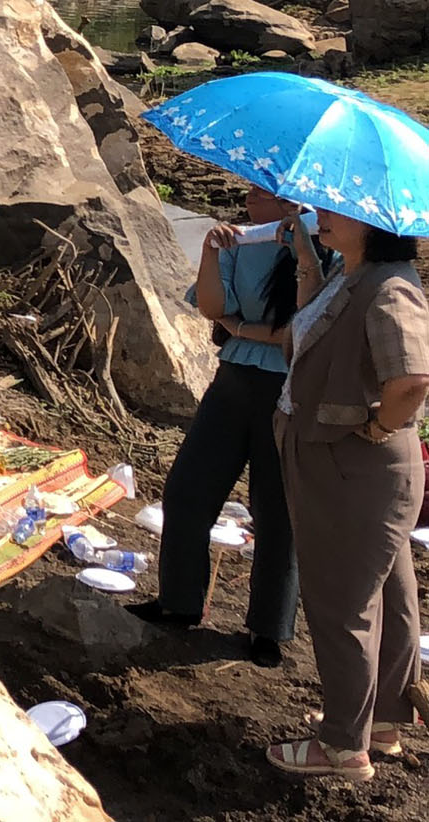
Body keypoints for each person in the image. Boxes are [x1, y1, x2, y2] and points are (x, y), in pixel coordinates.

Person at [264, 208, 429, 781]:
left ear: (375, 223)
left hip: (352, 465)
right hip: (344, 460)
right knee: (387, 595)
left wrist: (378, 428)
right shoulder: (350, 273)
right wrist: (310, 261)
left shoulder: (390, 287)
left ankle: (342, 746)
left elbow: (409, 381)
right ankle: (381, 722)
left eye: (338, 211)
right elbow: (313, 329)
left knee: (341, 602)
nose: (323, 215)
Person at [130, 190, 316, 663]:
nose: (248, 197)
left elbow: (303, 331)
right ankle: (179, 601)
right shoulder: (240, 242)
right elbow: (213, 309)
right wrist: (212, 252)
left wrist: (246, 329)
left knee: (276, 509)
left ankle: (269, 628)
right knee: (189, 488)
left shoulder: (321, 248)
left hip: (290, 391)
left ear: (288, 201)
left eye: (261, 192)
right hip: (235, 379)